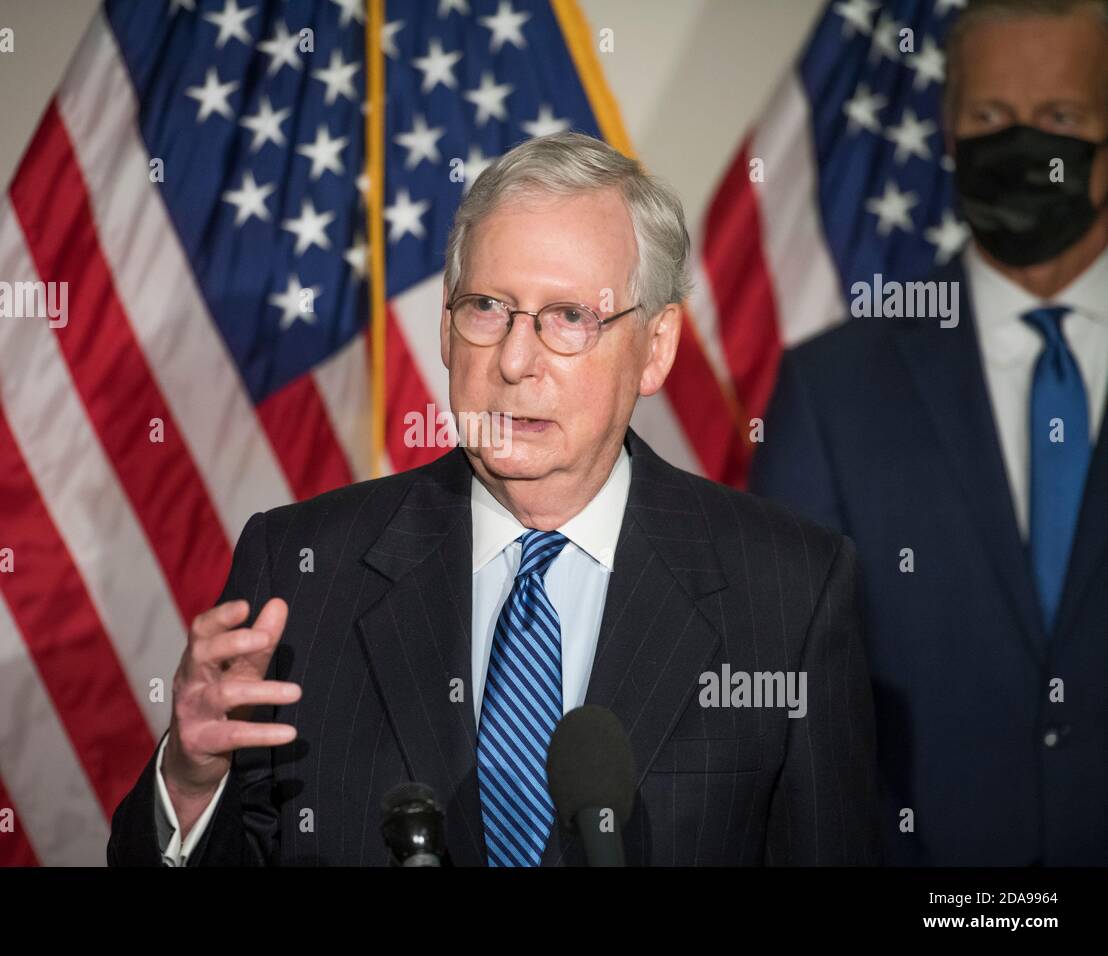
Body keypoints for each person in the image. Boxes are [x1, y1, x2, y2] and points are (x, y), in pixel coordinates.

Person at [109, 131, 879, 866]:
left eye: (569, 318)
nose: (514, 361)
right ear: (446, 328)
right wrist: (189, 782)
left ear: (657, 347)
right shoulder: (302, 570)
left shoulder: (789, 593)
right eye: (486, 309)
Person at [752, 0, 1108, 865]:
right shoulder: (831, 391)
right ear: (948, 133)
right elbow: (783, 707)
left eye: (1060, 118)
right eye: (990, 117)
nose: (1024, 145)